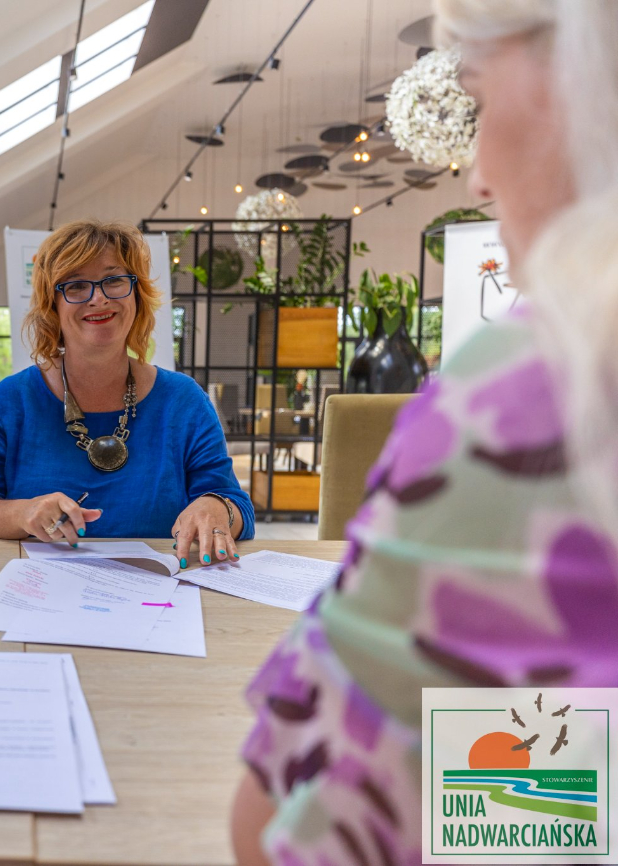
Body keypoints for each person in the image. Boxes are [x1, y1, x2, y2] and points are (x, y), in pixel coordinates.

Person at [231, 2, 618, 863]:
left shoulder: (529, 397)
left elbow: (285, 829)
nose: (476, 177)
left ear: (585, 78)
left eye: (477, 98)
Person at [0, 219, 254, 567]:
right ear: (53, 305)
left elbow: (238, 508)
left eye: (114, 280)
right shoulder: (9, 401)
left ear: (136, 295)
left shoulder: (184, 401)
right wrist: (22, 512)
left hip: (159, 600)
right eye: (76, 286)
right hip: (42, 598)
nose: (99, 298)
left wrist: (217, 507)